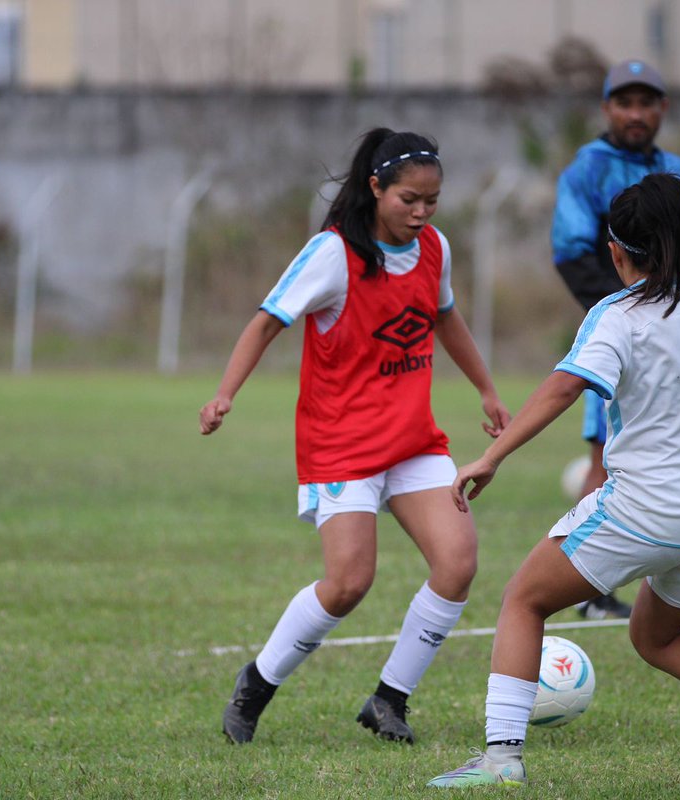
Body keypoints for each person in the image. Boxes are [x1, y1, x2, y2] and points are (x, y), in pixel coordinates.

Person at [427, 173, 680, 788]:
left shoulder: (617, 315)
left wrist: (491, 455)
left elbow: (566, 385)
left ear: (615, 251)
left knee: (524, 600)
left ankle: (500, 760)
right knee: (653, 636)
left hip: (643, 511)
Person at [200, 128, 511, 746]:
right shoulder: (332, 254)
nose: (421, 213)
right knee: (348, 582)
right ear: (375, 188)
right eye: (408, 200)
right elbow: (265, 323)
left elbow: (446, 317)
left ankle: (389, 699)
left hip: (413, 441)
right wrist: (225, 393)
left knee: (457, 562)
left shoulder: (434, 250)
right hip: (340, 444)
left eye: (432, 200)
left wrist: (486, 388)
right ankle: (257, 684)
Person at [552, 59, 680, 620]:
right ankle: (592, 595)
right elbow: (572, 252)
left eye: (646, 103)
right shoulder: (587, 170)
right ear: (607, 109)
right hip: (623, 337)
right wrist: (635, 314)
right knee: (604, 462)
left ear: (662, 109)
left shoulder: (678, 170)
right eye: (624, 102)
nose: (635, 113)